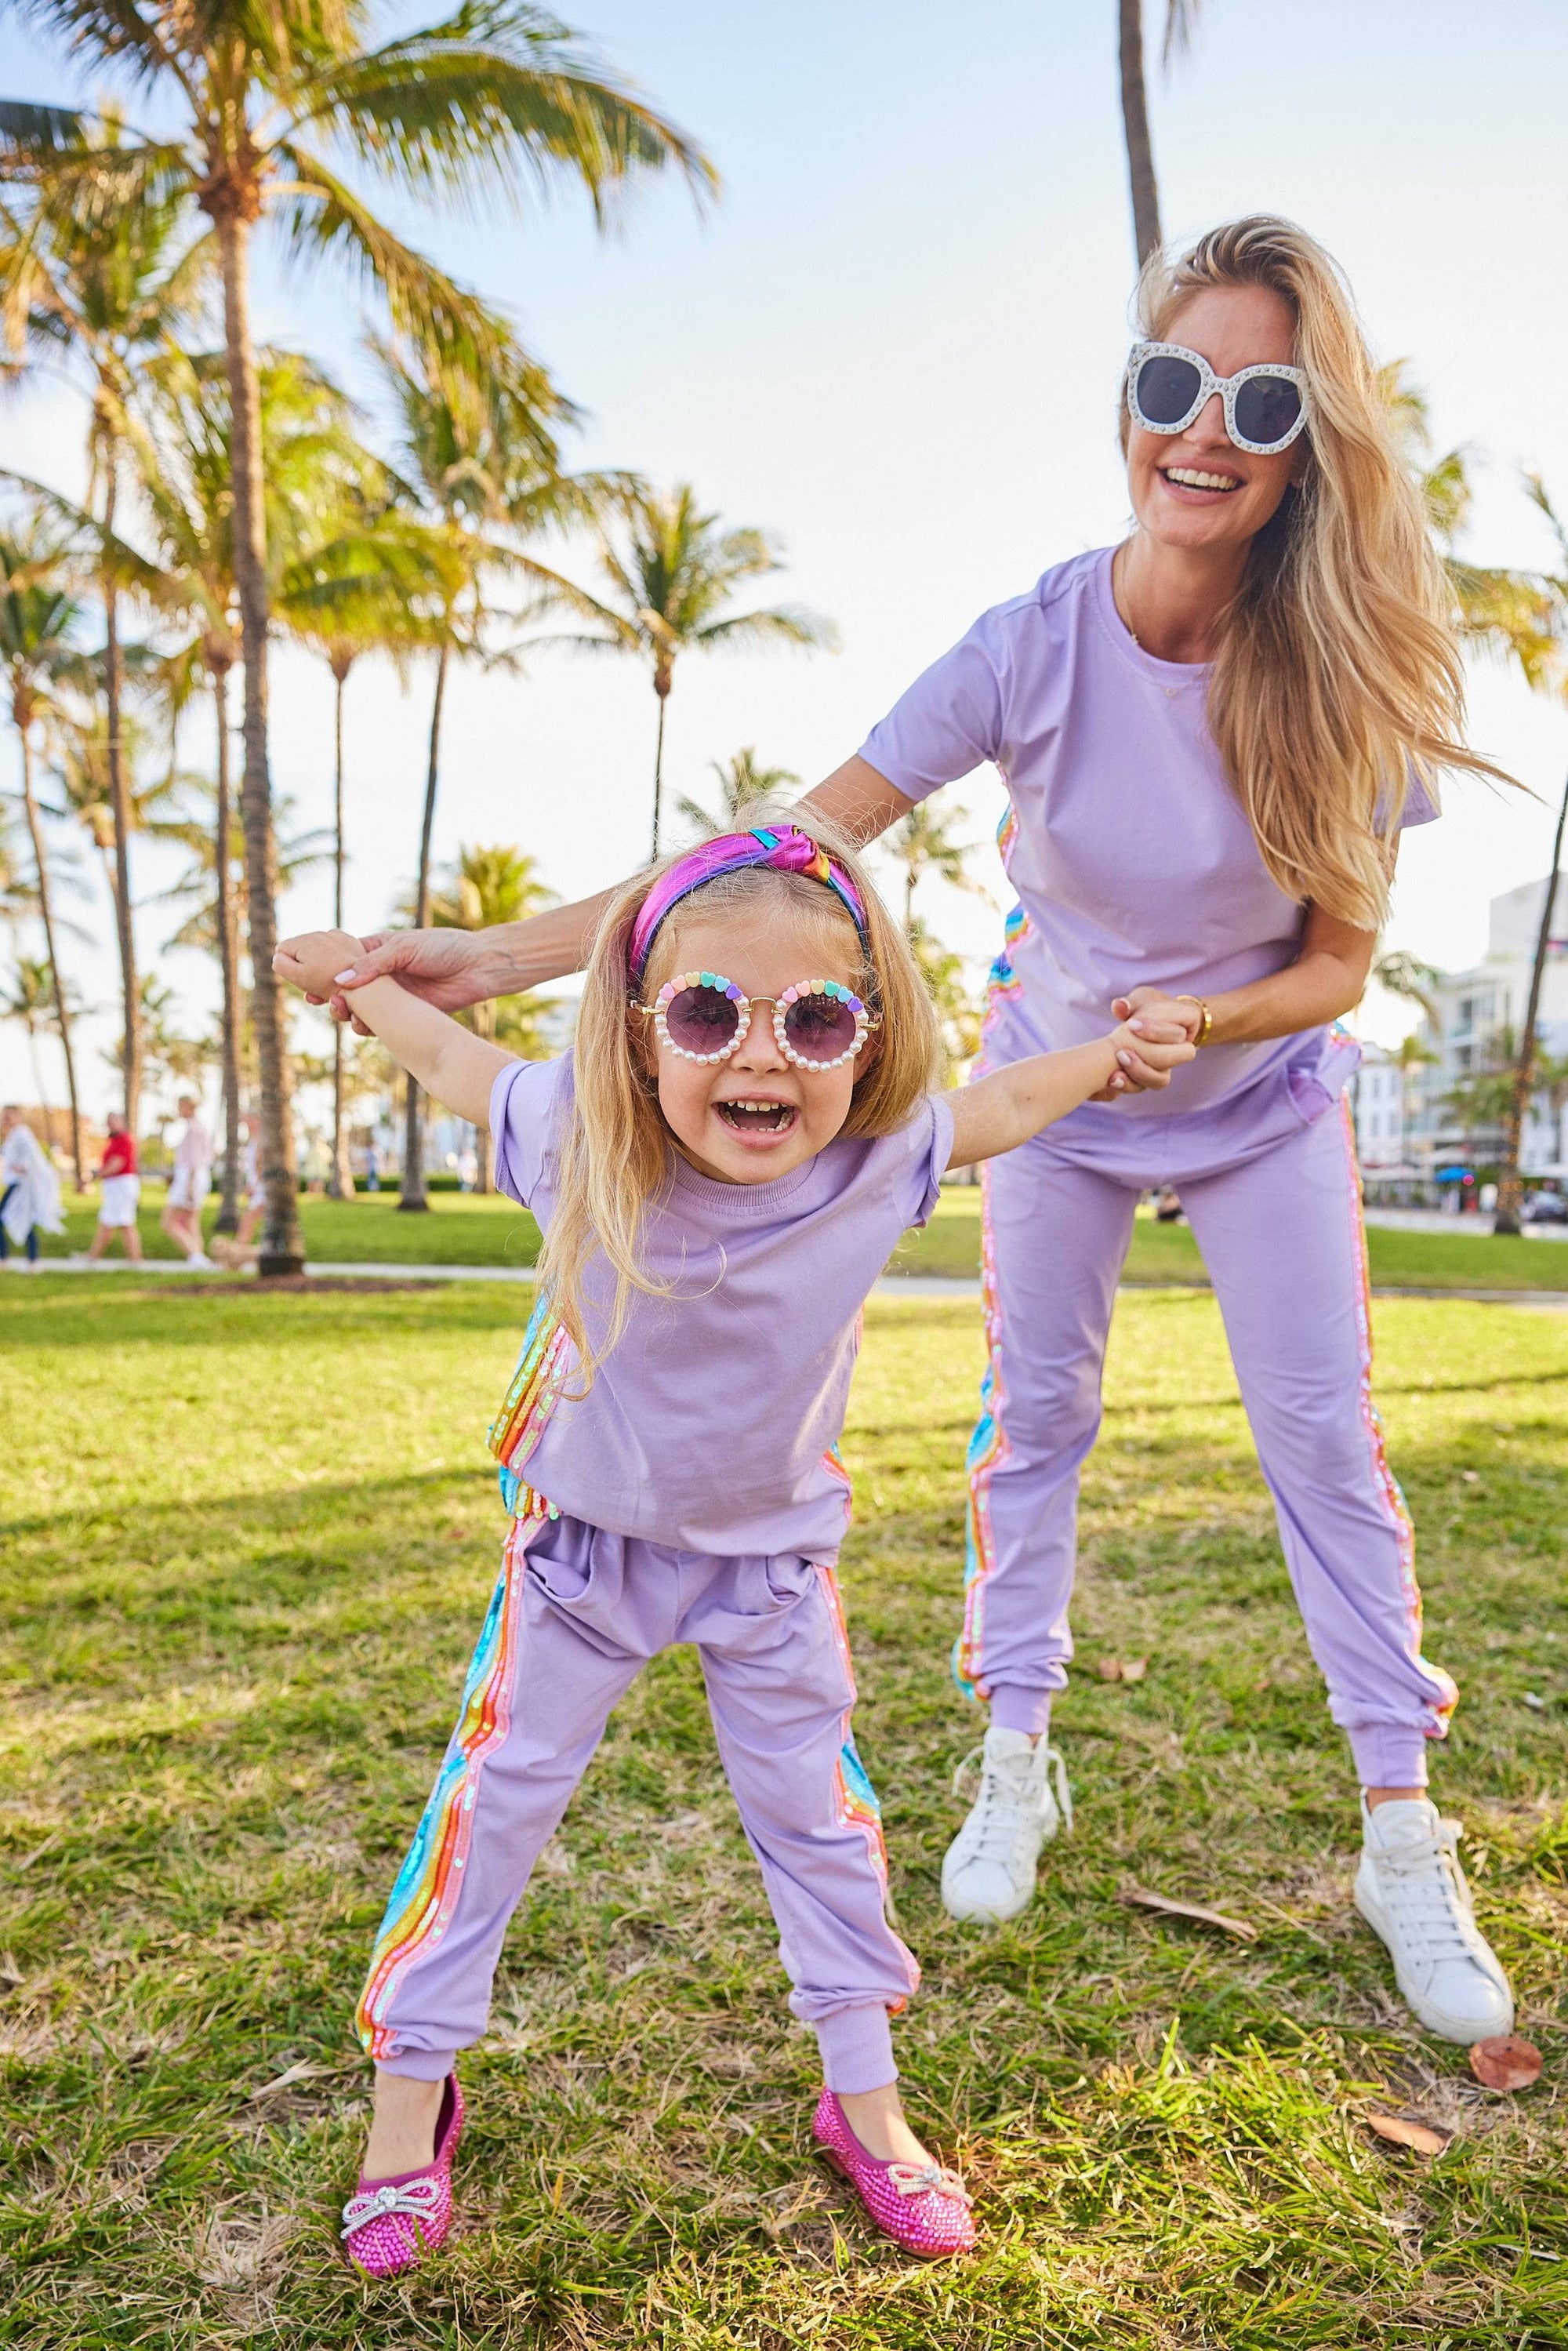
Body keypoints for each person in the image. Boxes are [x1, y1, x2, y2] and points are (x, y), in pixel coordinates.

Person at [320, 217, 1518, 2053]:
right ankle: (1012, 1753)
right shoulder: (1028, 641)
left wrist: (1203, 1020)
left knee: (1322, 1445)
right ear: (1127, 399)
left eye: (1256, 398)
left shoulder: (1333, 670)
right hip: (1057, 1084)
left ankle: (1395, 1825)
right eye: (1167, 382)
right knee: (1031, 1423)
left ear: (1303, 444)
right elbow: (772, 848)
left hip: (1254, 1095)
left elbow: (1336, 964)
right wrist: (481, 957)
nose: (1200, 429)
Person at [276, 809, 1192, 2278]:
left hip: (772, 1576)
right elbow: (449, 1058)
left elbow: (1014, 1103)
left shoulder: (879, 1163)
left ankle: (870, 2107)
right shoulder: (572, 1134)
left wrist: (1119, 1057)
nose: (760, 1054)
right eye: (709, 1011)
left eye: (812, 1016)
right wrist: (350, 980)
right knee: (490, 1814)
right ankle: (409, 2103)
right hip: (575, 1563)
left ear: (866, 1035)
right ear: (640, 1034)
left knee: (821, 1836)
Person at [0, 1106, 63, 1269]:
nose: (6, 1119)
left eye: (9, 1116)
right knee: (24, 1219)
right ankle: (31, 1259)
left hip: (21, 1185)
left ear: (18, 1116)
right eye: (4, 1116)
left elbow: (33, 1158)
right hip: (17, 1183)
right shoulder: (14, 1135)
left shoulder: (22, 1133)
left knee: (15, 1218)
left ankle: (9, 1257)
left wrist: (20, 1167)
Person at [162, 1094, 214, 1268]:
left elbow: (194, 1162)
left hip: (190, 1179)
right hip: (197, 1177)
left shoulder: (194, 1130)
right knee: (192, 1221)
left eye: (180, 1106)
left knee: (168, 1222)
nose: (178, 1110)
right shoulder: (199, 1128)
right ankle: (198, 1258)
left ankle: (196, 1256)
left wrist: (189, 1187)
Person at [86, 1111, 143, 1262]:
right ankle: (92, 1257)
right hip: (115, 1187)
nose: (109, 1124)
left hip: (121, 1186)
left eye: (113, 1121)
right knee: (109, 1223)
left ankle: (136, 1260)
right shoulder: (115, 1141)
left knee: (124, 1223)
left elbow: (117, 1164)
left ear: (122, 1122)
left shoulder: (125, 1140)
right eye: (108, 1121)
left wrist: (95, 1176)